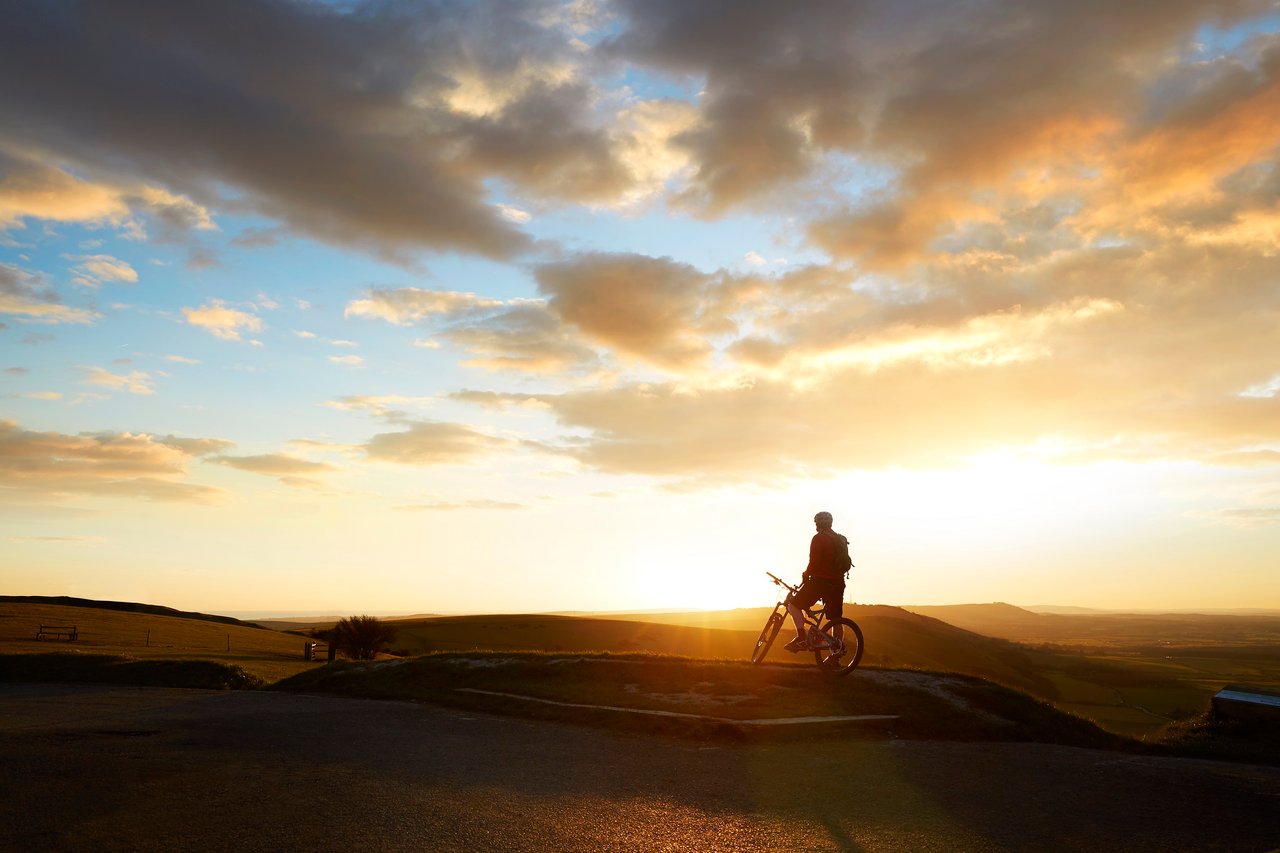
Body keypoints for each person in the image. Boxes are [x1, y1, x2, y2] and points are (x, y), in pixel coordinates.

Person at [783, 510, 849, 652]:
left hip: (821, 582)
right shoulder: (839, 539)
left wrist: (806, 574)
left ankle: (801, 637)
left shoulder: (819, 538)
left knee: (793, 605)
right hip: (838, 583)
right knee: (836, 619)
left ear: (818, 523)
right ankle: (835, 654)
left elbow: (814, 563)